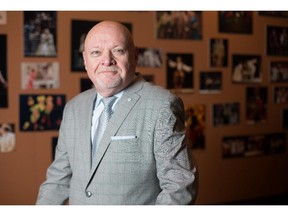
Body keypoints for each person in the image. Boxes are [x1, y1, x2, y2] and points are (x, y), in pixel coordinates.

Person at [36, 20, 198, 205]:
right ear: (85, 60)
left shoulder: (162, 105)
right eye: (96, 52)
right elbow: (57, 180)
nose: (107, 60)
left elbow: (180, 185)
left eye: (118, 50)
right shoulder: (74, 108)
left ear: (135, 56)